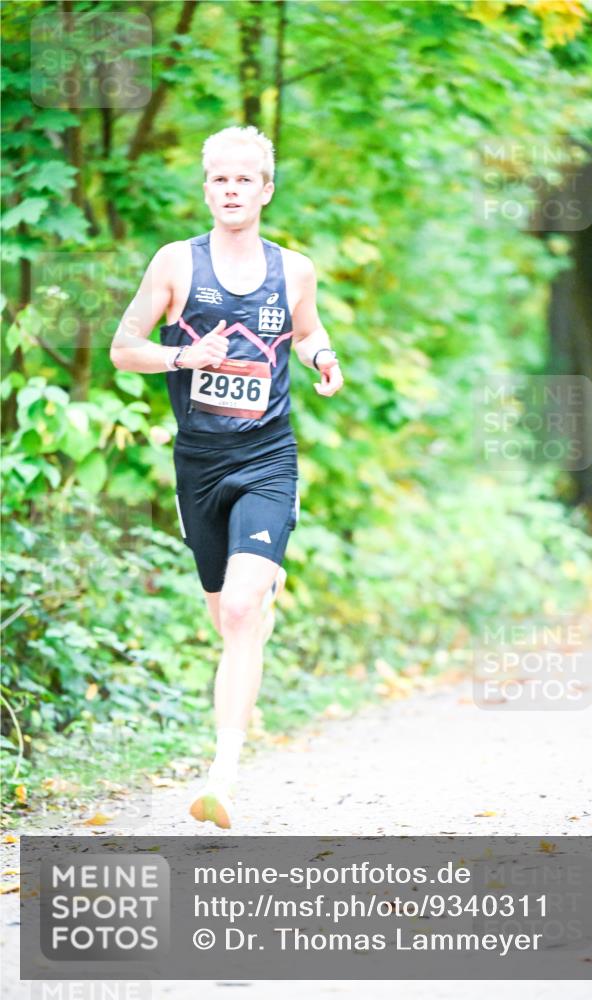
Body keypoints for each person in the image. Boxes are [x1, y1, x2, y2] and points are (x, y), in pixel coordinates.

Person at [109, 125, 344, 829]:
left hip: (267, 457)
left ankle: (223, 776)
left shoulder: (293, 269)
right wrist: (186, 359)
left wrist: (323, 358)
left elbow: (305, 330)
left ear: (266, 190)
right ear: (206, 188)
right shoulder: (176, 264)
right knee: (228, 617)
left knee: (242, 609)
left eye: (245, 179)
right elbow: (124, 350)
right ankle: (247, 660)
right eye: (219, 179)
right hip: (200, 466)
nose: (231, 190)